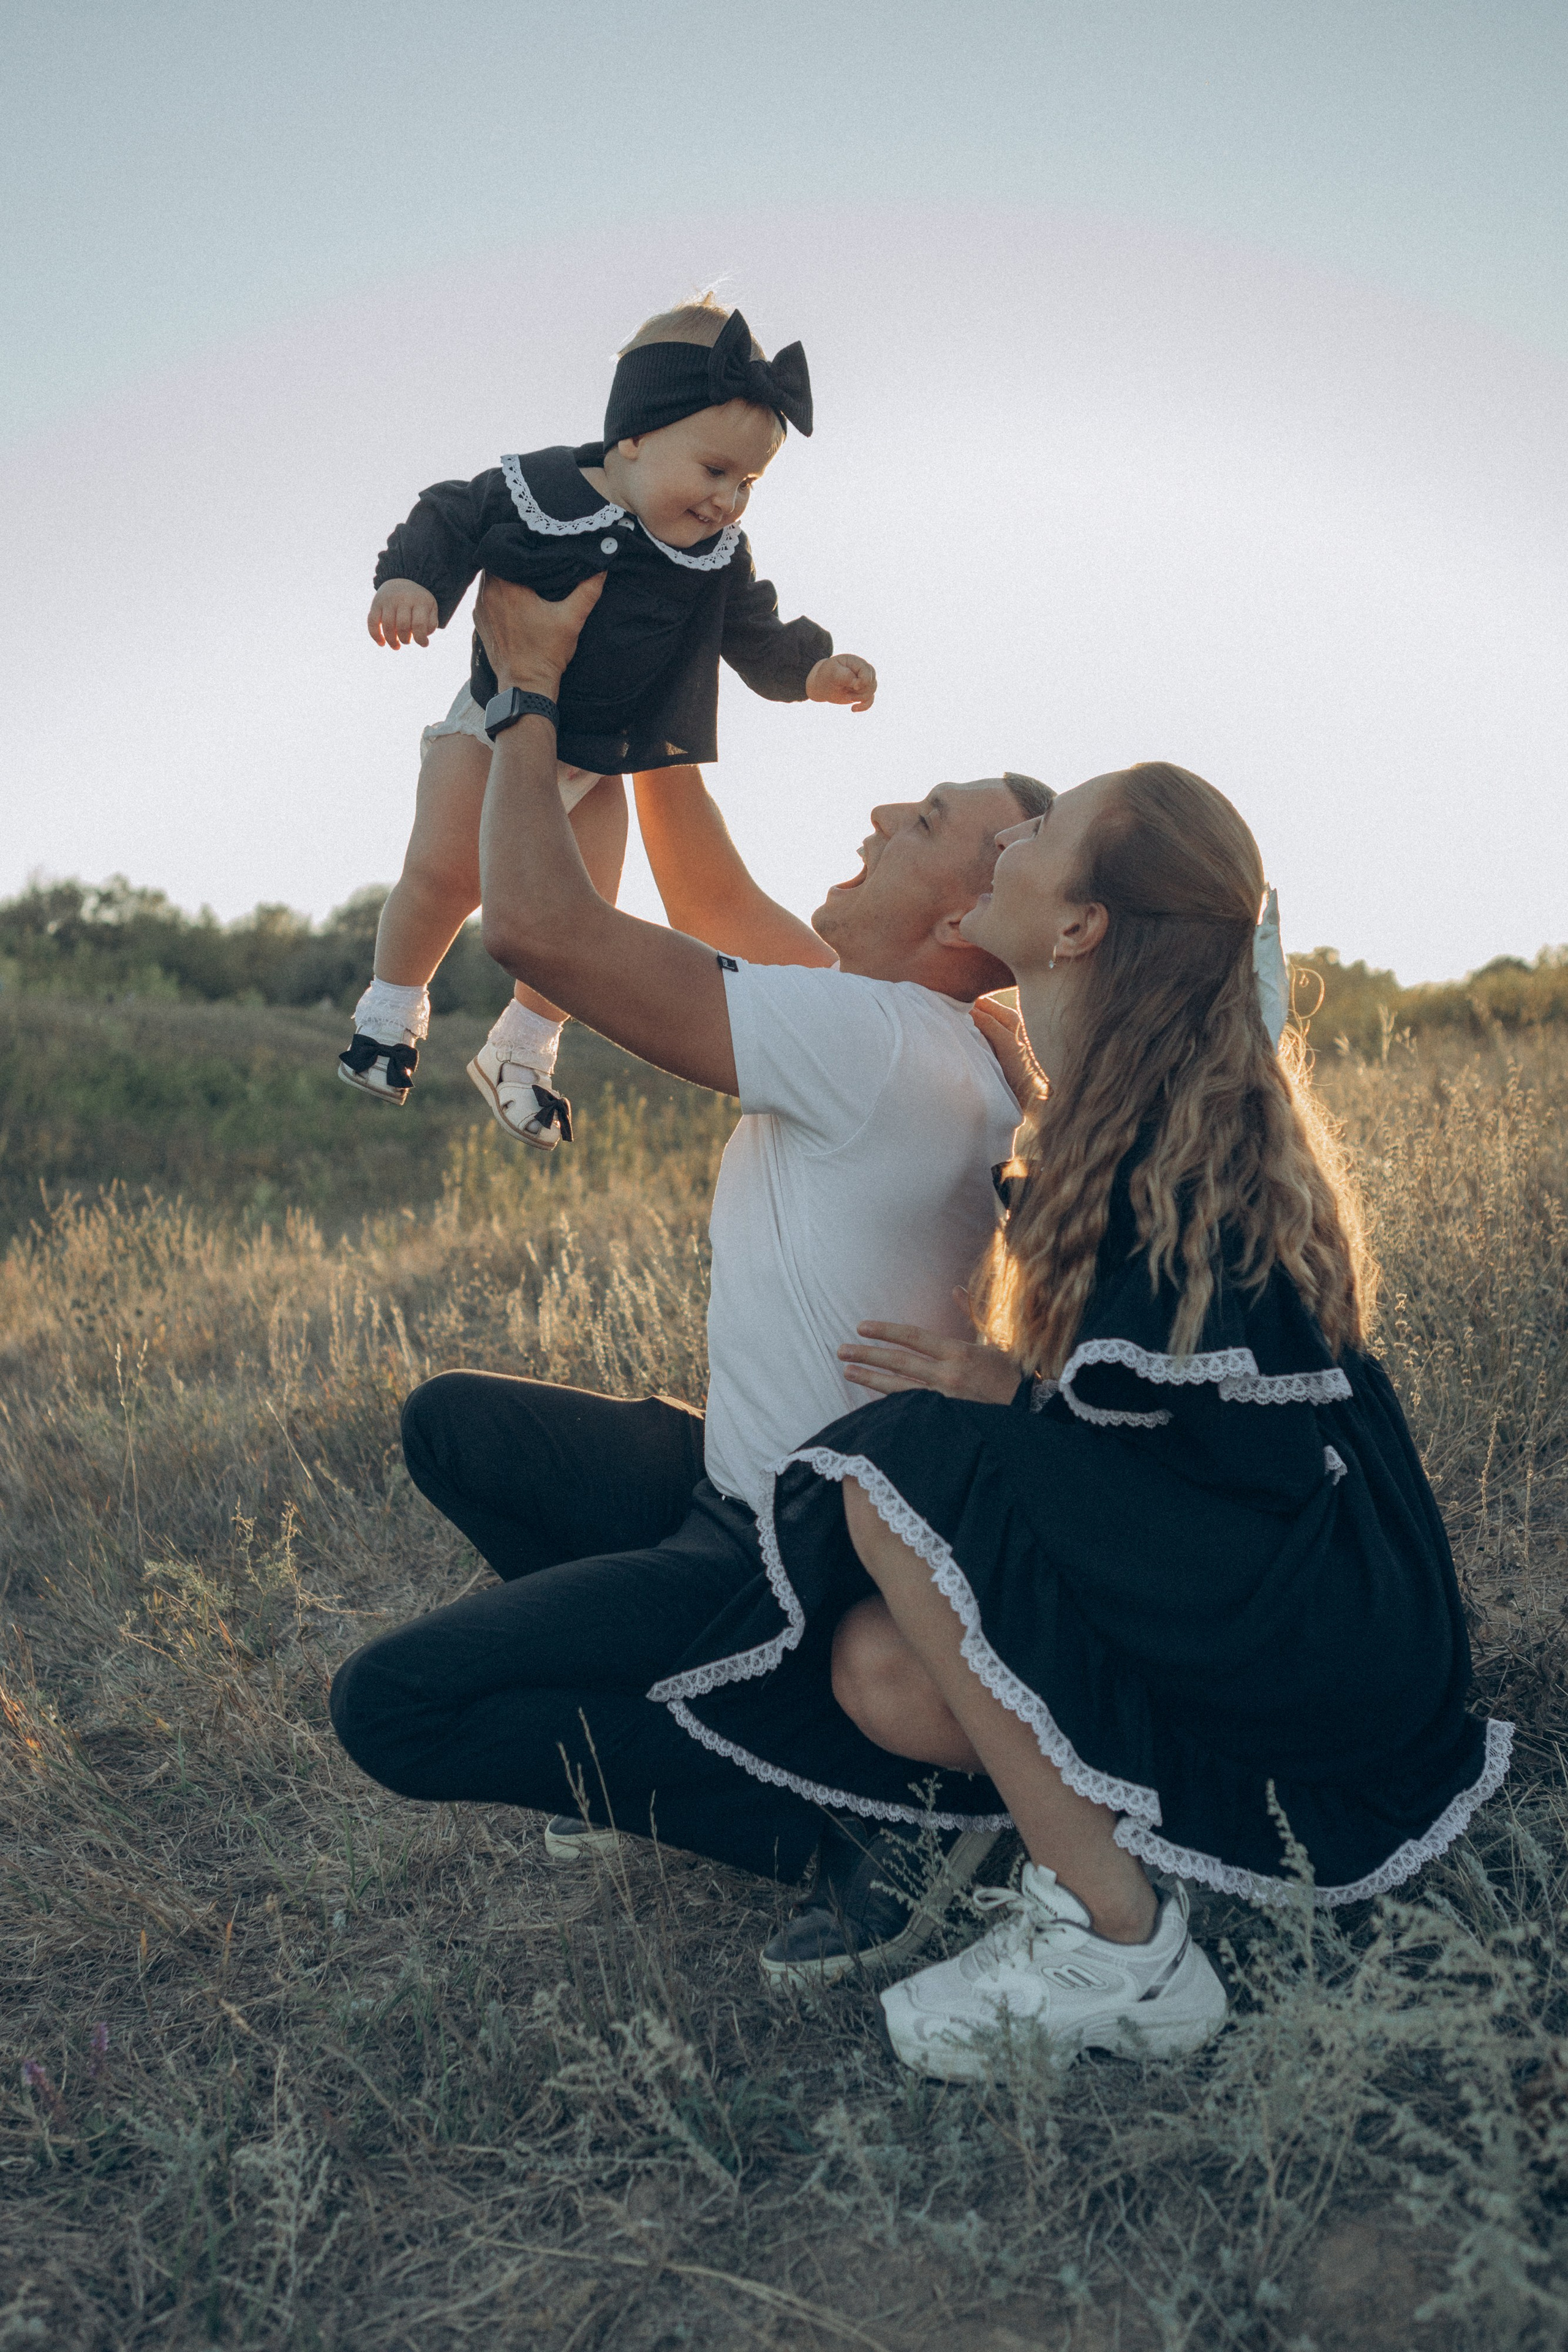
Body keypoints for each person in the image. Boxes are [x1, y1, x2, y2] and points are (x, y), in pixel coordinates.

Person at [657, 760, 1512, 2078]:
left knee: (892, 1466)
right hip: (1231, 1574)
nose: (1015, 831)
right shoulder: (1090, 1100)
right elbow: (1155, 1431)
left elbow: (1247, 1477)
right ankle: (1132, 1838)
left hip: (1312, 1624)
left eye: (1044, 829)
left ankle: (1119, 1950)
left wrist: (989, 1428)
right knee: (880, 1670)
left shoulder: (1189, 1139)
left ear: (1077, 928)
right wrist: (1011, 1393)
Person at [329, 565, 1049, 1978]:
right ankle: (685, 1699)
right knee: (459, 1428)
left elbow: (540, 930)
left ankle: (852, 1823)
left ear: (968, 917)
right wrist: (671, 639)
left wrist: (532, 693)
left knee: (392, 1710)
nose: (872, 818)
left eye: (916, 823)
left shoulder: (881, 1049)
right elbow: (705, 883)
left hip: (786, 1550)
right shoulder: (907, 1026)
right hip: (746, 1477)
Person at [343, 292, 876, 1148]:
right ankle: (389, 1014)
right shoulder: (537, 489)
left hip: (601, 759)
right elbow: (451, 513)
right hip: (491, 726)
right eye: (714, 472)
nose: (729, 501)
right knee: (443, 876)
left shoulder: (714, 557)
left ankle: (522, 1055)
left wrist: (811, 670)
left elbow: (755, 630)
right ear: (633, 437)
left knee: (582, 919)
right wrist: (413, 582)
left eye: (748, 484)